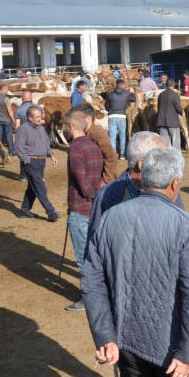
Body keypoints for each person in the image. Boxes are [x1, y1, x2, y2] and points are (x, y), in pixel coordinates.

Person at [83, 146, 189, 377]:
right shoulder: (185, 225)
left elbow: (91, 281)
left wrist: (105, 335)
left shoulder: (110, 217)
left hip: (127, 342)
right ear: (175, 184)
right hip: (174, 348)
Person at [86, 131, 185, 245]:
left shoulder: (169, 189)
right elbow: (93, 244)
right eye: (161, 158)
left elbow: (181, 235)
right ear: (142, 164)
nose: (168, 163)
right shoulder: (106, 196)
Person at [61, 110, 104, 312]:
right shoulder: (93, 146)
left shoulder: (75, 149)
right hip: (96, 209)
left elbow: (82, 182)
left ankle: (88, 298)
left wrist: (90, 196)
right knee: (96, 254)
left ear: (71, 127)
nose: (63, 131)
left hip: (80, 208)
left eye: (64, 128)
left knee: (83, 258)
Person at [15, 106, 59, 221]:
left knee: (33, 186)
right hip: (31, 161)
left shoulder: (40, 128)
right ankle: (51, 212)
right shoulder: (23, 129)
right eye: (37, 117)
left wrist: (51, 155)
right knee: (40, 187)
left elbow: (46, 143)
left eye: (40, 116)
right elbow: (19, 147)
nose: (40, 119)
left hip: (41, 161)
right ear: (30, 118)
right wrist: (27, 160)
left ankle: (24, 210)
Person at [77, 103, 119, 185]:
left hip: (100, 180)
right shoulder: (83, 133)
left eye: (78, 119)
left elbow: (111, 156)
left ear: (88, 119)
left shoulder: (97, 132)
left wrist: (106, 180)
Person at [105, 79, 135, 158]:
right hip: (122, 116)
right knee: (122, 136)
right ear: (122, 85)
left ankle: (113, 154)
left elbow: (106, 106)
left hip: (112, 116)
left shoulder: (110, 94)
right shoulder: (127, 94)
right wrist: (132, 91)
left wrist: (110, 110)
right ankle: (122, 155)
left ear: (116, 85)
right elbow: (134, 99)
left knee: (112, 137)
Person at [0, 85, 16, 160]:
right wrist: (13, 120)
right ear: (4, 89)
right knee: (9, 136)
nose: (7, 91)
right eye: (7, 90)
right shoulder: (6, 98)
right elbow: (9, 111)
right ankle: (11, 151)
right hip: (7, 120)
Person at [157, 83, 183, 150]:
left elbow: (158, 107)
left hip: (162, 122)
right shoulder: (175, 95)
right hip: (173, 122)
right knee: (175, 142)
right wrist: (181, 112)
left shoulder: (160, 95)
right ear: (173, 86)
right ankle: (176, 157)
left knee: (165, 144)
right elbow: (178, 108)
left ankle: (167, 158)